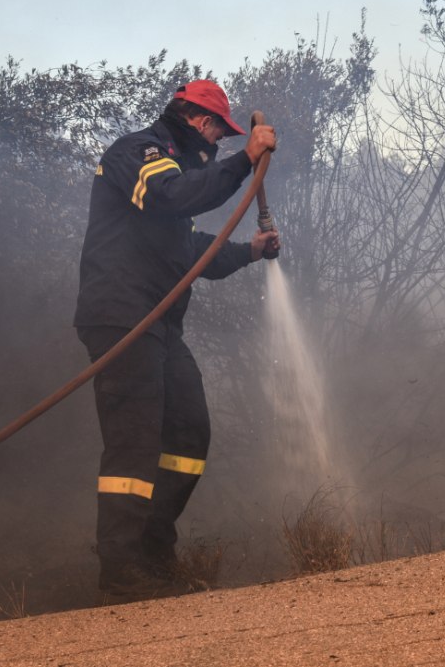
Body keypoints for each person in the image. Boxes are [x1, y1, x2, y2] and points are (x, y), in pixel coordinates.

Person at [73, 79, 278, 600]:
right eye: (218, 136)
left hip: (159, 324)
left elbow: (189, 249)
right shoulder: (138, 153)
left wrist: (249, 251)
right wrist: (240, 164)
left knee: (188, 436)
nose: (217, 148)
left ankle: (152, 553)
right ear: (200, 123)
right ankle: (119, 570)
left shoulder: (175, 174)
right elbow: (171, 196)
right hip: (123, 317)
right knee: (135, 443)